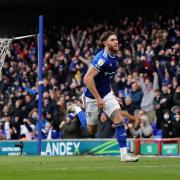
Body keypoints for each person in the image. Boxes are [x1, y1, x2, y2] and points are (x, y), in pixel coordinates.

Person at [82, 31, 138, 162]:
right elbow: (87, 78)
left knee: (119, 119)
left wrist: (112, 95)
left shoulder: (115, 59)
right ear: (105, 43)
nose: (116, 42)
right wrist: (98, 98)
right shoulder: (101, 59)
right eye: (112, 40)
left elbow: (107, 80)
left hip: (106, 94)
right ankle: (77, 110)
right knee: (91, 130)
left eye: (116, 39)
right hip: (91, 97)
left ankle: (124, 155)